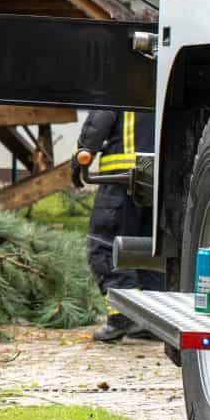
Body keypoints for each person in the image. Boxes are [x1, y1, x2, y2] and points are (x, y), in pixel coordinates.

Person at [71, 109, 163, 342]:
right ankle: (151, 320)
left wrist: (81, 154)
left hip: (123, 178)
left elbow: (101, 116)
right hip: (161, 178)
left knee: (105, 245)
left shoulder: (127, 84)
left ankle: (123, 317)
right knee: (153, 249)